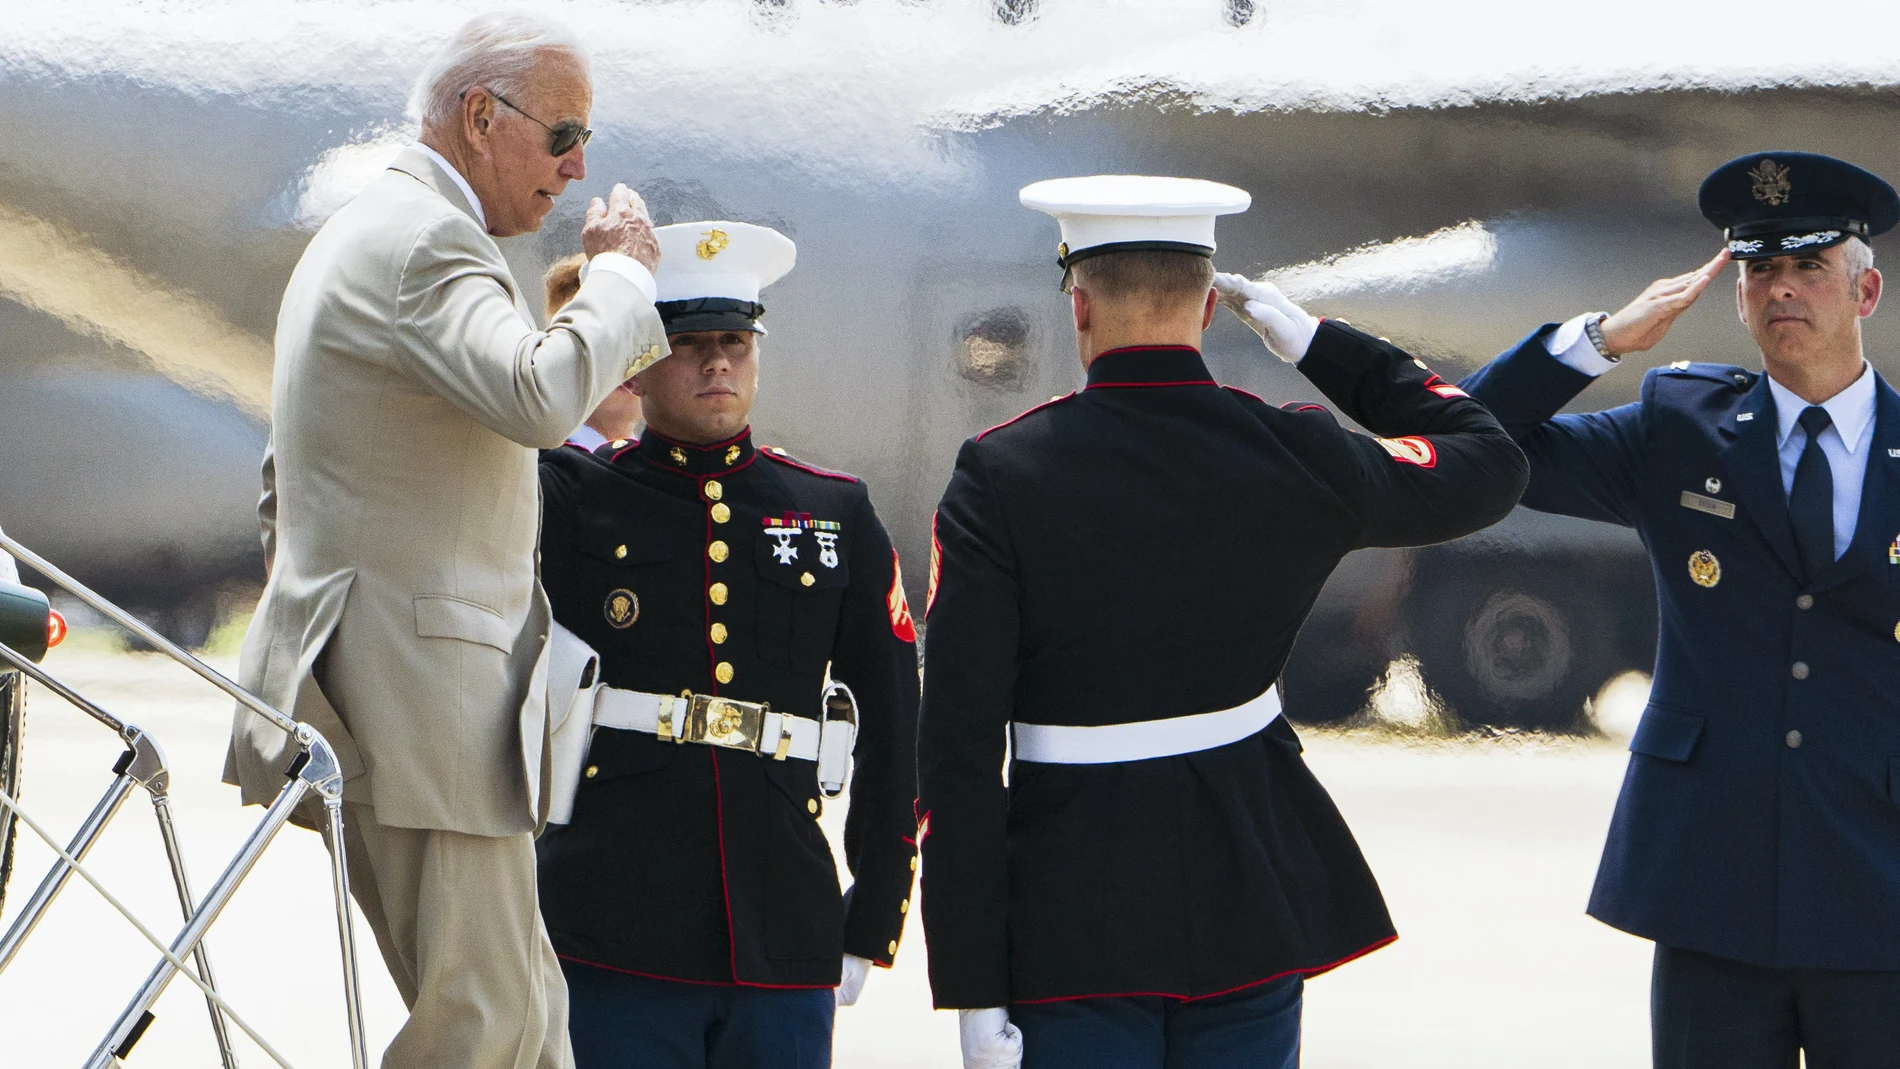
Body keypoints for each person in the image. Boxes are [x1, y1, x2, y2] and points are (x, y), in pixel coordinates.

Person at [916, 175, 1529, 1069]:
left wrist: (973, 979)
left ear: (1078, 306)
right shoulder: (1295, 450)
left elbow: (959, 745)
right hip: (1249, 885)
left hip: (1071, 907)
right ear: (1209, 309)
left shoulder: (1002, 473)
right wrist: (1321, 344)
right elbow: (1489, 461)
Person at [222, 12, 670, 1069]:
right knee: (484, 1032)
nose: (578, 166)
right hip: (428, 706)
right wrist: (619, 280)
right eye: (563, 135)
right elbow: (537, 391)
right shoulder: (427, 238)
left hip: (402, 695)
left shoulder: (373, 228)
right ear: (481, 118)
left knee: (526, 1026)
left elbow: (290, 483)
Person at [1460, 150, 1900, 1068]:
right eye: (1760, 270)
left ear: (1865, 294)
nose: (1782, 289)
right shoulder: (1680, 428)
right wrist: (1600, 342)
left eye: (1809, 267)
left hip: (1881, 883)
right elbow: (1474, 441)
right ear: (1738, 296)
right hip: (1715, 883)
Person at [535, 221, 920, 1069]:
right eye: (688, 342)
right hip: (612, 920)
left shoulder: (834, 511)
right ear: (634, 362)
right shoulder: (568, 496)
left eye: (737, 342)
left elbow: (895, 722)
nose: (718, 363)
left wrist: (876, 908)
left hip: (781, 919)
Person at [545, 252, 644, 450]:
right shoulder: (540, 467)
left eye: (637, 338)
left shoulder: (668, 468)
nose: (623, 357)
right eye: (601, 340)